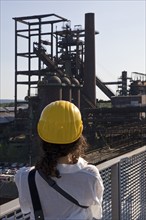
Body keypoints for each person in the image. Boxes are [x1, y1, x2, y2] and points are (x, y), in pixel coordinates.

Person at [15, 100, 104, 220]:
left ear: (42, 136)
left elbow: (25, 207)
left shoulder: (24, 177)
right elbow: (96, 213)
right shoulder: (90, 176)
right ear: (78, 136)